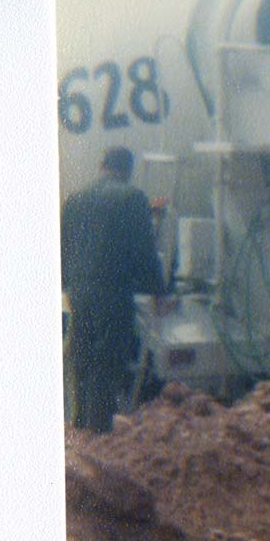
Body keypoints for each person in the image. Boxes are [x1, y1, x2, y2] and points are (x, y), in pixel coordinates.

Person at [61, 147, 167, 433]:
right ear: (128, 170)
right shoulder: (132, 198)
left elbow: (64, 245)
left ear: (101, 164)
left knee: (81, 356)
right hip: (112, 291)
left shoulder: (75, 197)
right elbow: (144, 251)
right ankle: (99, 431)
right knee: (107, 360)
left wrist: (65, 284)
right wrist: (158, 290)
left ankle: (78, 424)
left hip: (79, 290)